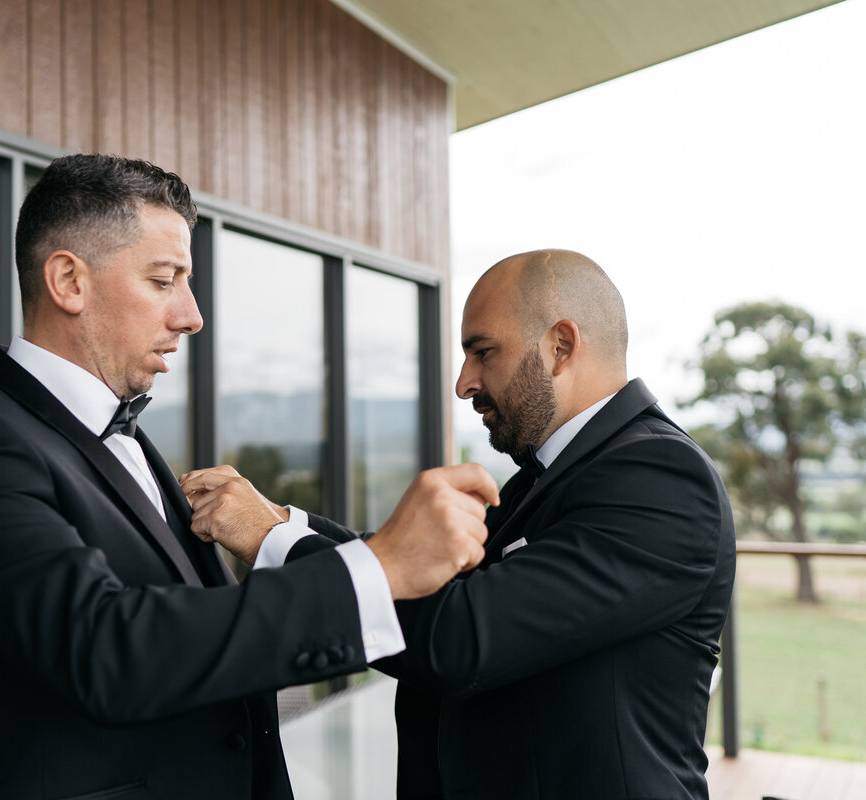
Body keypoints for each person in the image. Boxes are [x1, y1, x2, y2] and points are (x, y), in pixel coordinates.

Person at [0, 153, 496, 800]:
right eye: (165, 280)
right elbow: (107, 649)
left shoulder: (126, 441)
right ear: (68, 281)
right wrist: (378, 567)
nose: (192, 315)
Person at [182, 249, 736, 799]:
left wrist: (275, 542)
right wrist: (284, 521)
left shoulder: (660, 477)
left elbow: (463, 635)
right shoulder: (549, 475)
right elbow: (421, 577)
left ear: (560, 346)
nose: (464, 383)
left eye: (483, 352)